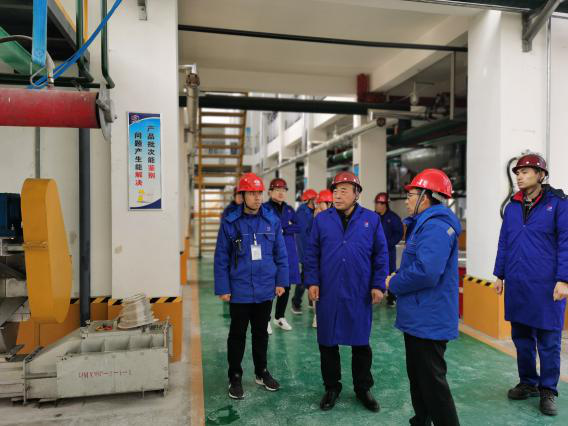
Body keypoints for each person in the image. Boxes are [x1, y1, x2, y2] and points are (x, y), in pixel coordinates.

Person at [305, 171, 389, 413]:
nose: (337, 195)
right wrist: (312, 281)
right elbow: (311, 253)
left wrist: (378, 284)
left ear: (356, 194)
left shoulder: (371, 220)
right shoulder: (322, 220)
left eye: (344, 190)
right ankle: (332, 387)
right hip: (329, 289)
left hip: (358, 289)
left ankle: (363, 388)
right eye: (335, 190)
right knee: (327, 343)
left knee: (360, 343)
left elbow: (381, 254)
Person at [493, 153, 568, 416]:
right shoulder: (512, 207)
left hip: (547, 285)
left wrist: (564, 279)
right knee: (522, 338)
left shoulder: (558, 204)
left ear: (541, 175)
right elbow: (504, 242)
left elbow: (566, 243)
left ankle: (548, 390)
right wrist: (500, 274)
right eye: (517, 172)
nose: (519, 176)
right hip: (518, 282)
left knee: (548, 341)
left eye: (525, 171)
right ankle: (528, 382)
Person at [387, 168, 461, 426]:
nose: (407, 200)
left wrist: (394, 283)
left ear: (425, 197)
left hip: (429, 318)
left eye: (411, 195)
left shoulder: (436, 227)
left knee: (432, 384)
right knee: (419, 378)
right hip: (419, 316)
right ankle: (421, 420)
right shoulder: (424, 225)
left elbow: (427, 272)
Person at [214, 172, 289, 400]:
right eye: (252, 193)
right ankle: (235, 375)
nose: (257, 198)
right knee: (237, 334)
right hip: (240, 289)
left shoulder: (271, 221)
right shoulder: (230, 223)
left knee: (261, 333)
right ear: (242, 195)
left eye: (259, 193)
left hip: (265, 288)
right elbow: (221, 257)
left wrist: (281, 281)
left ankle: (261, 371)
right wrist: (223, 287)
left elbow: (281, 254)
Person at [263, 178, 301, 332]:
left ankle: (279, 317)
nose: (281, 193)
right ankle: (265, 319)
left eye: (283, 190)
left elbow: (298, 226)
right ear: (270, 192)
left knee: (286, 284)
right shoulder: (264, 209)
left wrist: (284, 229)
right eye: (277, 190)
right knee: (269, 286)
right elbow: (264, 227)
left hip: (288, 251)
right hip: (271, 250)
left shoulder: (290, 209)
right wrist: (285, 227)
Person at [309, 189, 334, 329]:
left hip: (331, 259)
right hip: (320, 259)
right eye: (318, 203)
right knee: (318, 290)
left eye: (321, 203)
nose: (318, 206)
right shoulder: (317, 218)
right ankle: (317, 316)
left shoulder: (335, 217)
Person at [291, 189, 318, 315]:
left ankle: (311, 300)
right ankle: (296, 302)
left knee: (312, 276)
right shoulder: (303, 213)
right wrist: (307, 254)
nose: (317, 201)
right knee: (304, 278)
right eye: (314, 199)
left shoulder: (312, 211)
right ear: (309, 200)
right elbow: (303, 236)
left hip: (313, 251)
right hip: (307, 251)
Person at [374, 192, 404, 307]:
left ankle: (391, 297)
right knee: (374, 271)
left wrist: (389, 244)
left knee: (390, 272)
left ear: (385, 204)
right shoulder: (373, 217)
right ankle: (374, 294)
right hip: (375, 251)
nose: (377, 205)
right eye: (376, 203)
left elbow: (399, 233)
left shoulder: (393, 218)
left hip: (389, 251)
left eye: (380, 203)